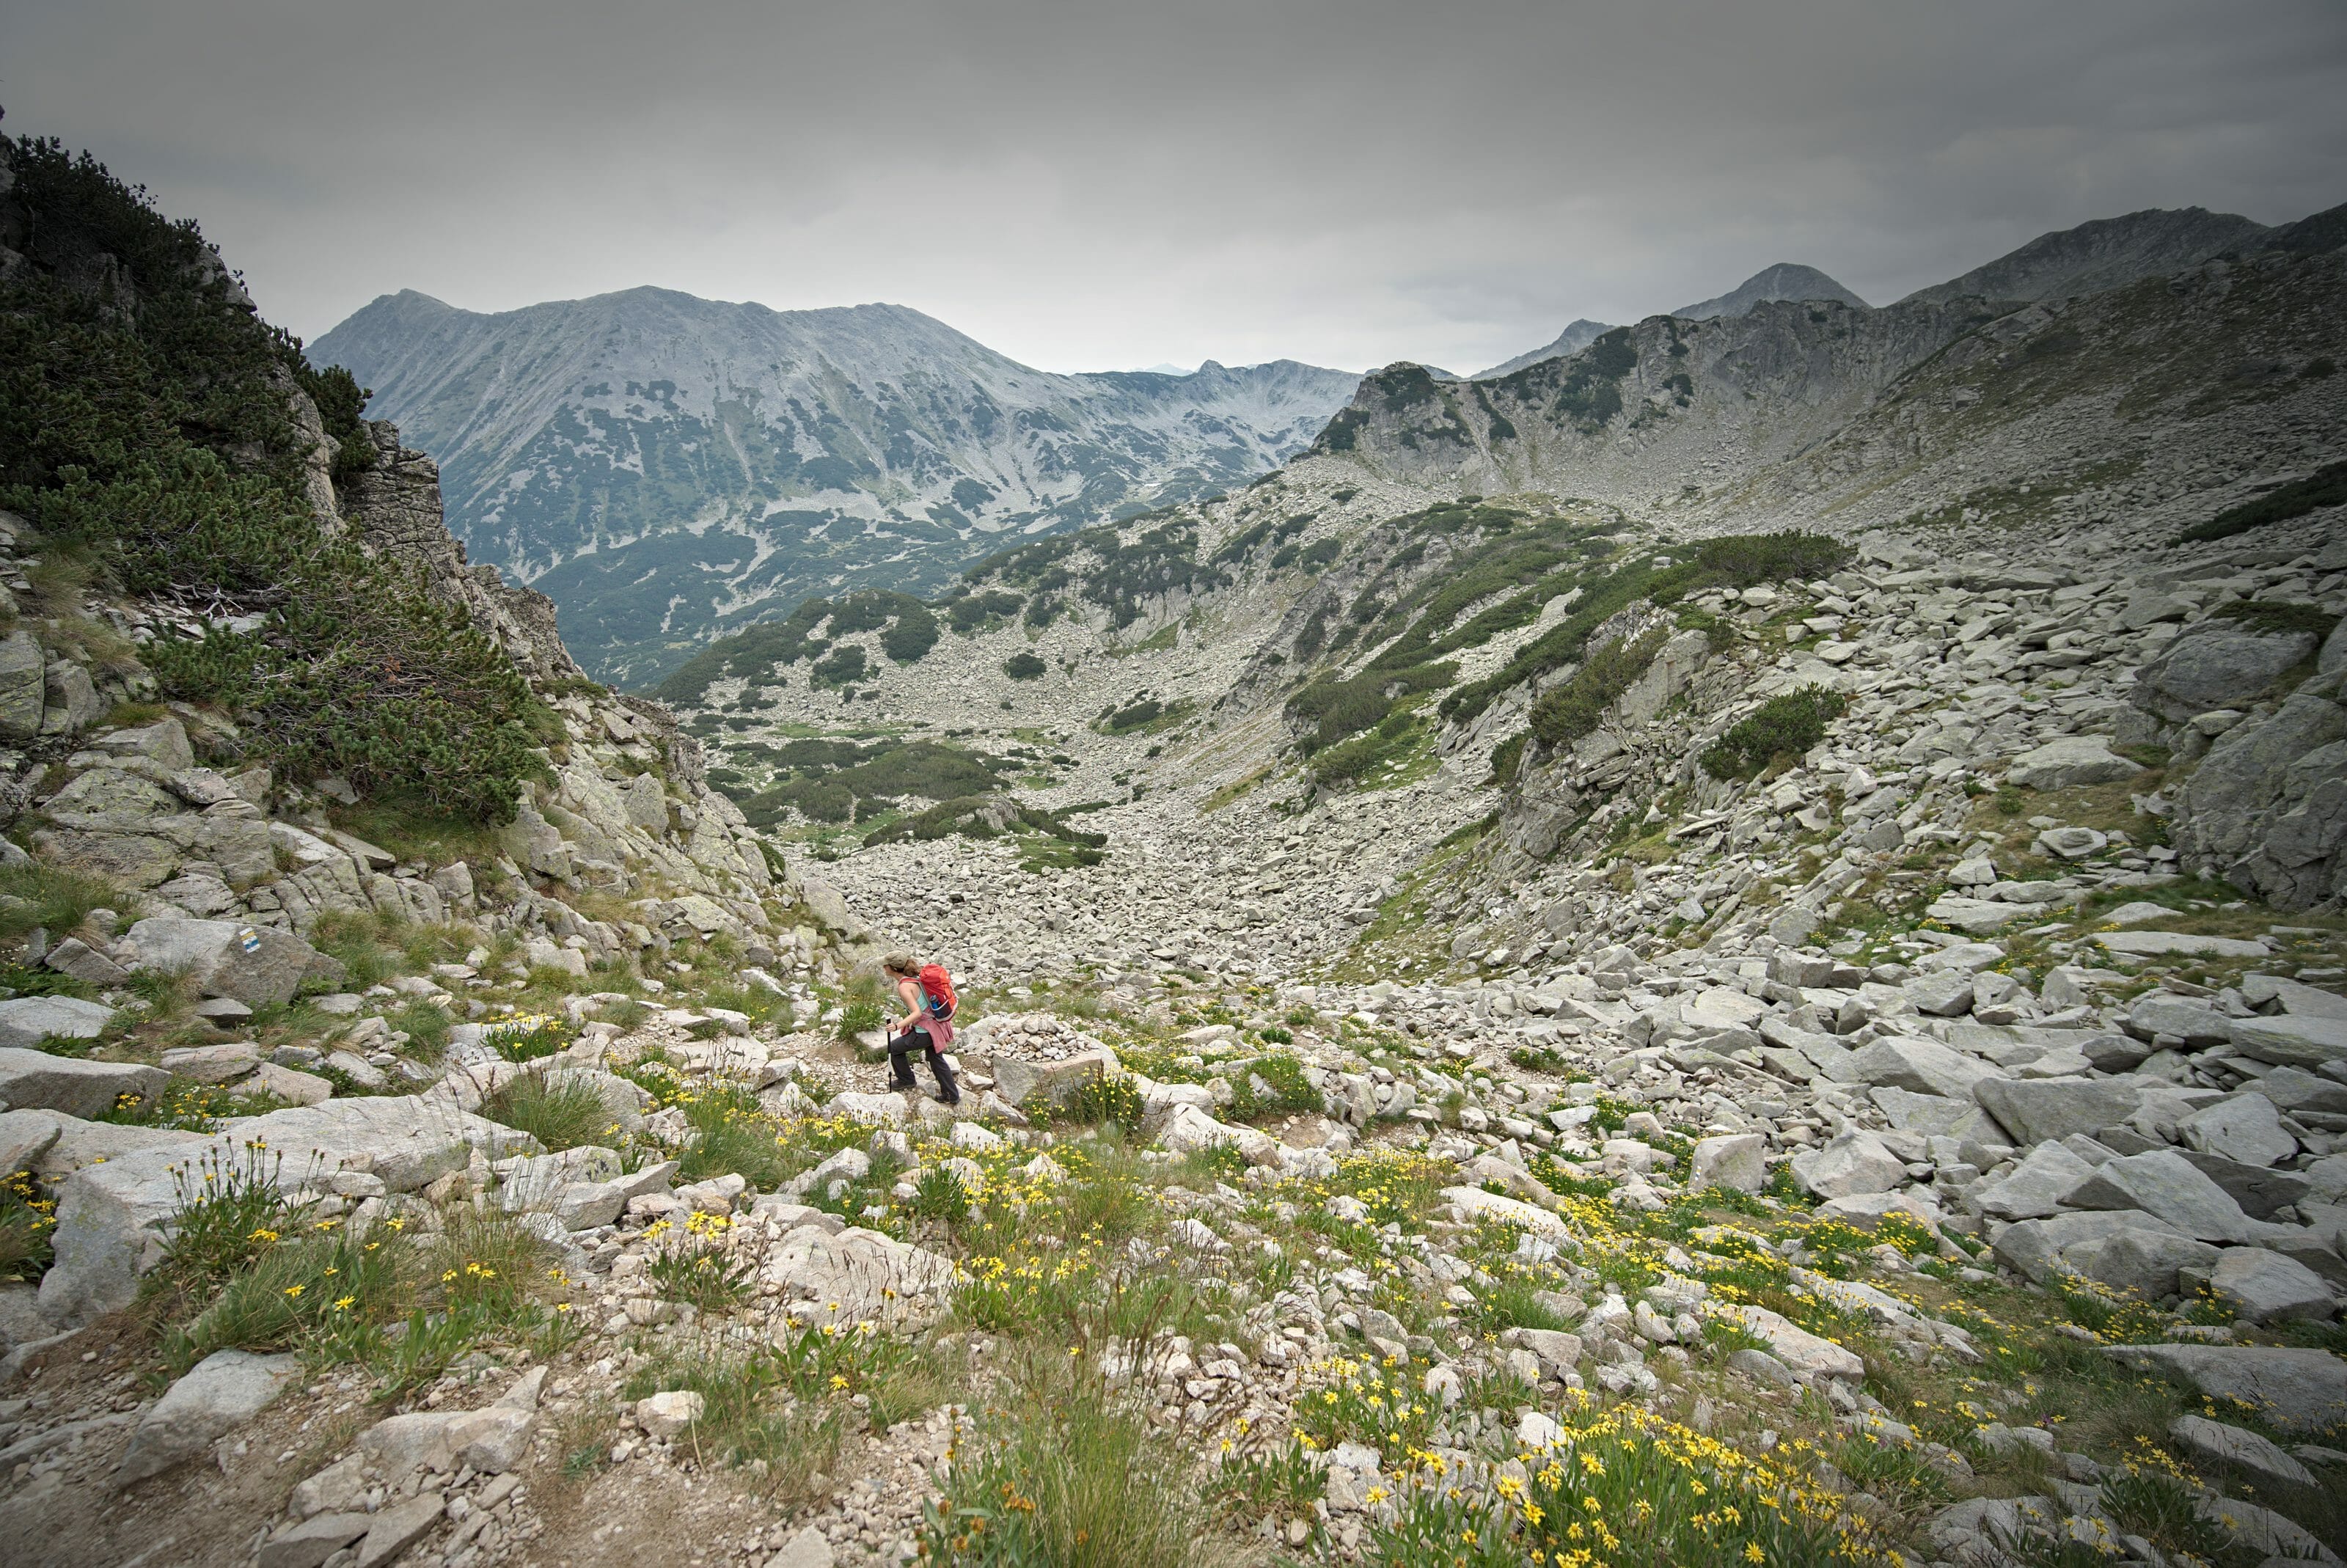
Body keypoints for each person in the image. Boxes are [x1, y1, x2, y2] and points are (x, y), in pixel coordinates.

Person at [882, 951, 961, 1105]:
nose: (884, 968)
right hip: (938, 1026)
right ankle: (951, 1095)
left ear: (893, 968)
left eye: (886, 965)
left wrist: (897, 1026)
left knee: (895, 1048)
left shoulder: (904, 986)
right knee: (935, 1058)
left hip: (926, 1031)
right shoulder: (915, 978)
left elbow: (917, 1013)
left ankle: (906, 1080)